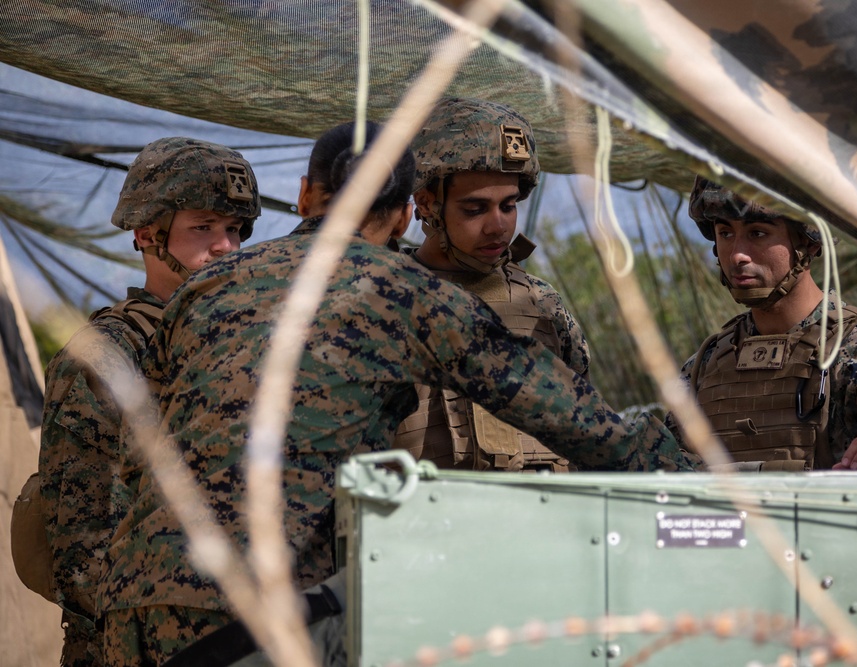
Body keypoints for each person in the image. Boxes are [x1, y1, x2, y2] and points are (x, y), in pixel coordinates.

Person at [97, 121, 701, 667]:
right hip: (261, 611)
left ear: (306, 194)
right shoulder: (402, 290)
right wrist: (703, 484)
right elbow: (571, 418)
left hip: (136, 598)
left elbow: (136, 445)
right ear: (410, 212)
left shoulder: (210, 286)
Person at [35, 137, 260, 667]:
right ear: (147, 235)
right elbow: (83, 544)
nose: (225, 247)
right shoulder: (105, 357)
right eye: (202, 228)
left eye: (235, 230)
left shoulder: (241, 348)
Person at [671, 176, 857, 471]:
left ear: (810, 242)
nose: (737, 254)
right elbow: (665, 465)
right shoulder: (706, 366)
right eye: (725, 233)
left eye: (757, 233)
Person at [393, 97, 588, 472]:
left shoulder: (542, 305)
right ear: (427, 203)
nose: (498, 226)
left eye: (509, 205)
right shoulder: (383, 299)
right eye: (475, 209)